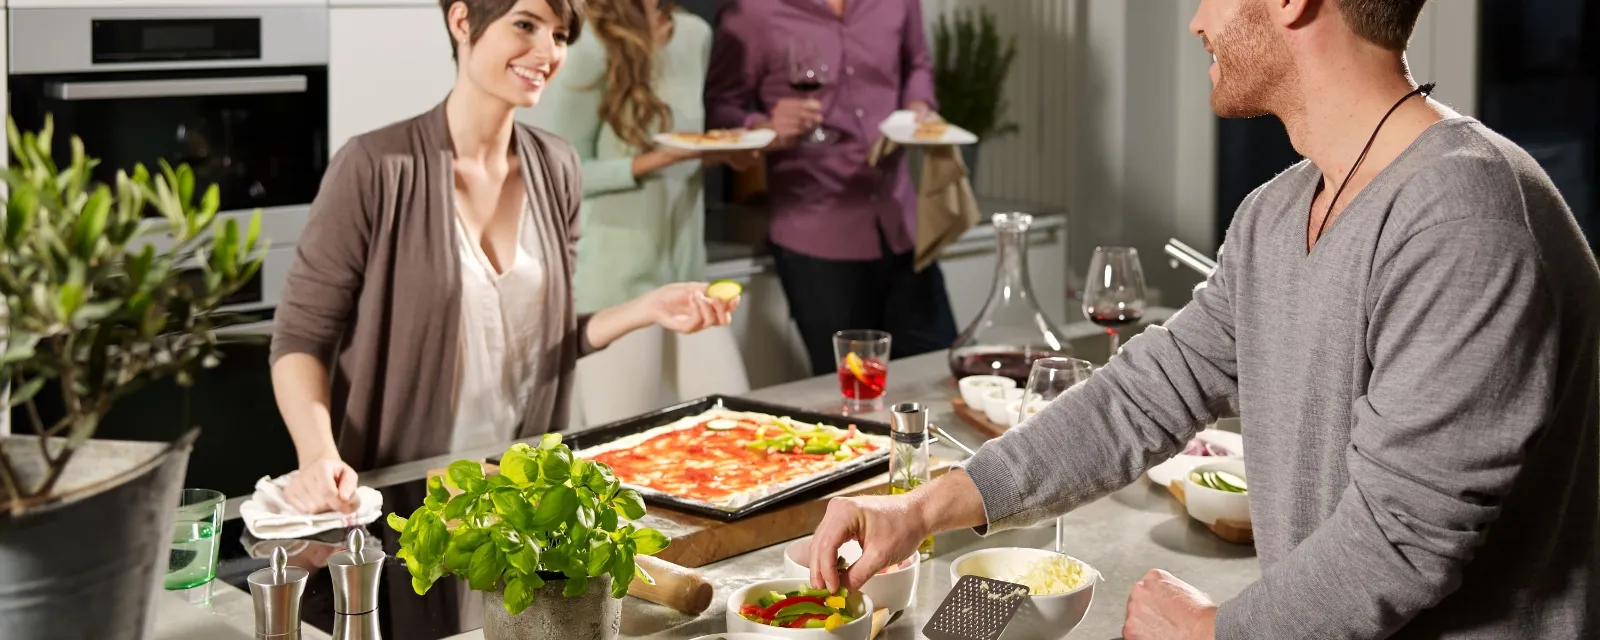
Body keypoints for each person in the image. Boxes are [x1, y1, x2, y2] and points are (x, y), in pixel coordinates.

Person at [809, 0, 1600, 638]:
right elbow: (1143, 395)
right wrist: (918, 511)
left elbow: (1402, 541)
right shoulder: (1278, 212)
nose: (1194, 22)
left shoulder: (1467, 219)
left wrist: (1212, 632)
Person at [269, 0, 739, 515]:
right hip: (406, 498)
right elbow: (300, 339)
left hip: (518, 494)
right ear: (463, 21)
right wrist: (317, 456)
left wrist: (647, 308)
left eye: (559, 35)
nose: (547, 52)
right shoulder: (375, 166)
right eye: (525, 25)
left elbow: (539, 342)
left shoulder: (556, 167)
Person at [523, 0, 758, 426]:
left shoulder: (693, 36)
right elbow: (560, 171)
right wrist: (652, 161)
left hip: (687, 271)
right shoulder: (588, 41)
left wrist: (724, 152)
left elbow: (688, 146)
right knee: (623, 450)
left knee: (736, 427)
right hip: (614, 283)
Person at [704, 0, 959, 376]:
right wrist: (763, 124)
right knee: (853, 392)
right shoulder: (751, 11)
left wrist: (919, 105)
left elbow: (918, 63)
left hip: (902, 226)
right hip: (817, 237)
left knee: (939, 375)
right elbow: (720, 108)